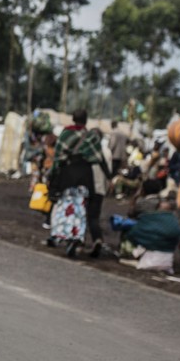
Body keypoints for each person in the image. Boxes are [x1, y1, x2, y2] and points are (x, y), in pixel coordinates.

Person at [47, 108, 109, 258]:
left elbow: (58, 159)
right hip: (85, 178)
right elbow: (99, 159)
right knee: (80, 209)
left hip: (67, 177)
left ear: (73, 119)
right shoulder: (91, 137)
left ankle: (62, 234)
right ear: (86, 120)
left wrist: (52, 176)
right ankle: (77, 237)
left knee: (65, 206)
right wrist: (109, 176)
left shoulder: (65, 134)